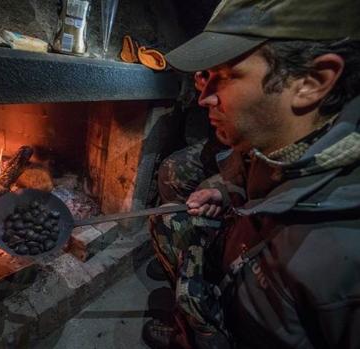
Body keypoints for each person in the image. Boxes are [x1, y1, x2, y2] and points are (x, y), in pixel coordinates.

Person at [144, 0, 360, 348]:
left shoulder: (340, 260)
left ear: (311, 81)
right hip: (241, 269)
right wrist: (225, 191)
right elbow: (246, 174)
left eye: (226, 75)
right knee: (172, 221)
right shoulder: (280, 140)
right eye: (206, 76)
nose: (204, 98)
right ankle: (193, 326)